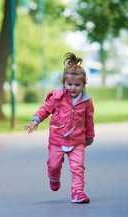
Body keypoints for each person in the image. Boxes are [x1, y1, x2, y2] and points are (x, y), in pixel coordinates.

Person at [24, 52, 95, 203]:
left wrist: (89, 136)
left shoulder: (86, 101)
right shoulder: (57, 97)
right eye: (70, 84)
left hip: (77, 141)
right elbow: (45, 109)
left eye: (77, 85)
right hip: (57, 140)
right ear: (64, 83)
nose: (73, 88)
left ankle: (78, 192)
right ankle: (53, 177)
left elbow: (89, 119)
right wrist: (36, 120)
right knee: (54, 165)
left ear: (84, 85)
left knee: (78, 167)